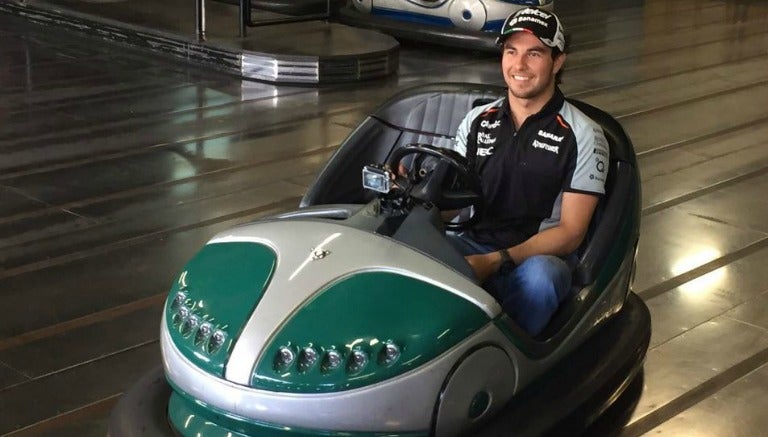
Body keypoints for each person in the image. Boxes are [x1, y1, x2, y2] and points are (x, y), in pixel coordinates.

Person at [446, 7, 610, 336]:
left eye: (533, 53)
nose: (519, 66)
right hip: (472, 244)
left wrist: (497, 259)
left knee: (541, 280)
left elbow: (571, 232)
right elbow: (451, 200)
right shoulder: (478, 121)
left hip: (537, 259)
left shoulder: (583, 134)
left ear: (558, 61)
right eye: (511, 52)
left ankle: (509, 362)